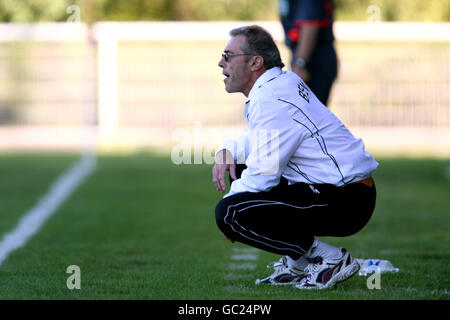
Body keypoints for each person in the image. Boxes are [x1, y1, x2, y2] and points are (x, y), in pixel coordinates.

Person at [213, 25, 378, 290]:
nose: (221, 62)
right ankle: (299, 263)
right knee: (238, 168)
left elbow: (263, 174)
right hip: (343, 191)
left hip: (347, 200)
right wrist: (228, 149)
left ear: (256, 62)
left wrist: (229, 212)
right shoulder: (278, 84)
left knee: (230, 212)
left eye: (228, 55)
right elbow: (264, 137)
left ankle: (328, 258)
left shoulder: (271, 97)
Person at [279, 0, 338, 106]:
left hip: (313, 59)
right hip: (304, 56)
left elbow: (310, 25)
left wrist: (300, 63)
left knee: (310, 116)